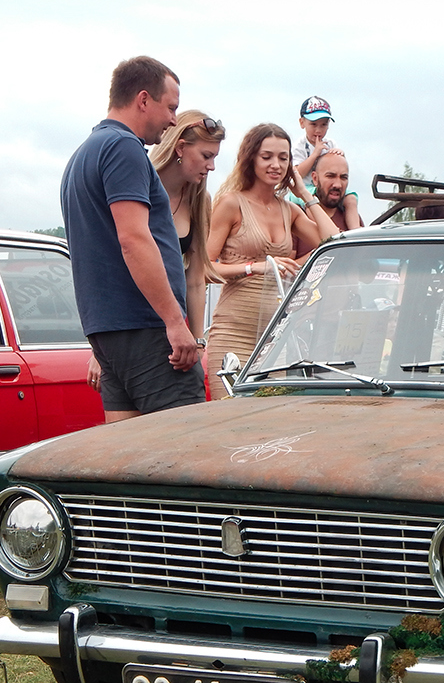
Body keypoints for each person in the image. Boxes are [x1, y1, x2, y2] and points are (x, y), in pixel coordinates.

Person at [61, 56, 204, 423]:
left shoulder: (82, 155)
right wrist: (175, 321)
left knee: (123, 455)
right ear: (143, 100)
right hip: (147, 329)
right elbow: (134, 239)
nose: (173, 119)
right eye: (170, 107)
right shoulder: (123, 149)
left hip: (107, 332)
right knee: (181, 450)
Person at [85, 110, 226, 394]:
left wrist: (198, 342)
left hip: (174, 333)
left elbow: (196, 279)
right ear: (180, 148)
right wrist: (101, 350)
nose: (211, 167)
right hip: (130, 325)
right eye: (206, 156)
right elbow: (112, 263)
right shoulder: (136, 183)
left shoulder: (200, 198)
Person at [205, 123, 341, 392]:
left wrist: (304, 193)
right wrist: (256, 267)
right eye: (266, 156)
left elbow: (333, 242)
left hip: (276, 339)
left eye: (283, 157)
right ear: (251, 158)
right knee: (231, 419)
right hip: (234, 334)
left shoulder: (288, 209)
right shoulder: (232, 203)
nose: (276, 165)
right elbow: (206, 268)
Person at [291, 97, 362, 227]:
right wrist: (315, 154)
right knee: (311, 202)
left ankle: (355, 233)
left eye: (324, 125)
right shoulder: (299, 146)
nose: (318, 130)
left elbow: (339, 166)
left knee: (351, 199)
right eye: (313, 124)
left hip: (323, 187)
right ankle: (321, 230)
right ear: (302, 123)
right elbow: (297, 174)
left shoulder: (330, 143)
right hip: (303, 189)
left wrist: (340, 154)